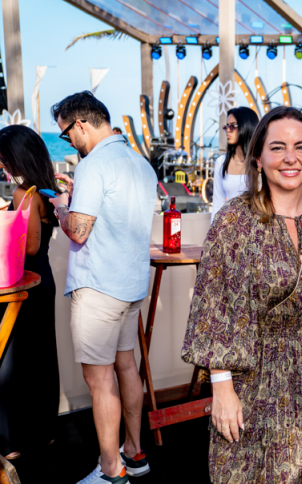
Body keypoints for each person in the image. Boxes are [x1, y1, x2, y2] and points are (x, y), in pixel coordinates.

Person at [182, 106, 302, 483]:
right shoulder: (234, 219)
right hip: (254, 373)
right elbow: (215, 306)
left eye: (300, 147)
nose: (291, 158)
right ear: (258, 156)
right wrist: (221, 389)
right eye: (278, 147)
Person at [49, 91, 157, 484]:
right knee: (126, 366)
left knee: (100, 380)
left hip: (98, 287)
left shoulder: (94, 165)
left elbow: (79, 229)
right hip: (130, 285)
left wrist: (62, 206)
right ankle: (134, 451)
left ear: (80, 125)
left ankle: (112, 470)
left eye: (65, 135)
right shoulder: (141, 164)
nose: (69, 142)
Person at [0, 126, 60, 460]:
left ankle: (13, 443)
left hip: (26, 283)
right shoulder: (46, 190)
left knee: (12, 364)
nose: (3, 164)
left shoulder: (25, 193)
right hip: (44, 279)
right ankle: (44, 433)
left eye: (4, 157)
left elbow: (29, 244)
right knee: (41, 360)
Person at [210, 107, 258, 222]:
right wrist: (213, 234)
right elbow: (218, 202)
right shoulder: (221, 162)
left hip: (257, 229)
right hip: (231, 228)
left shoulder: (260, 162)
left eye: (232, 126)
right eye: (226, 126)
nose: (228, 130)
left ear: (246, 126)